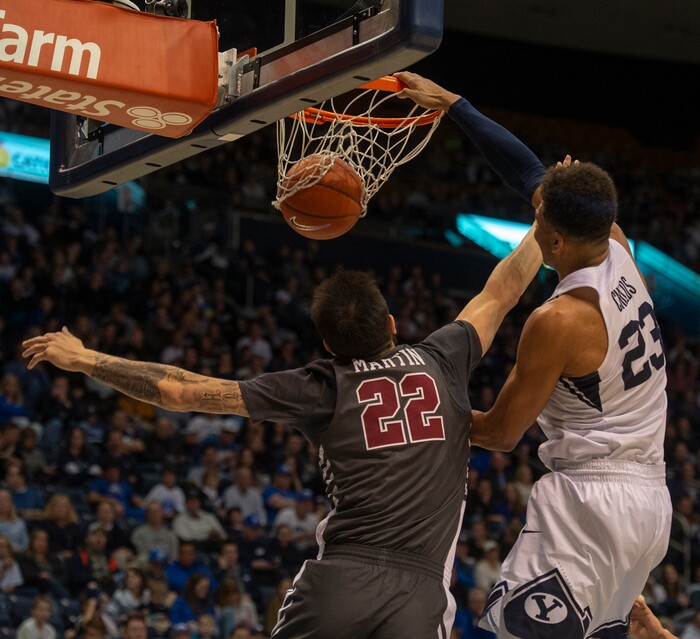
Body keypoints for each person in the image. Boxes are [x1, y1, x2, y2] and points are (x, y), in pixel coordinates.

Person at [21, 81, 546, 635]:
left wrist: (86, 359)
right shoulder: (444, 354)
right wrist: (546, 214)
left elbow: (177, 389)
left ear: (327, 346)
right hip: (420, 590)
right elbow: (500, 291)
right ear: (392, 325)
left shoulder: (320, 385)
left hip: (342, 575)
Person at [395, 71, 673, 638]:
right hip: (649, 500)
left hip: (592, 503)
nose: (534, 219)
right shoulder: (614, 241)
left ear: (555, 243)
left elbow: (499, 433)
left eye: (538, 222)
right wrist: (454, 104)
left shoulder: (559, 320)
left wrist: (409, 413)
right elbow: (529, 175)